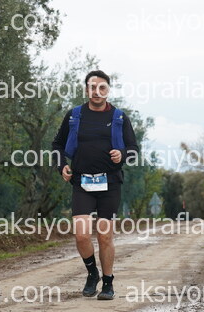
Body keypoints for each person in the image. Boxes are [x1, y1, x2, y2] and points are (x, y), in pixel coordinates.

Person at [52, 70, 139, 300]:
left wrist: (122, 154)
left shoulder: (119, 117)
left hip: (110, 183)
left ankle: (108, 283)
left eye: (102, 87)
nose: (97, 91)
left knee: (104, 235)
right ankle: (92, 274)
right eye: (92, 87)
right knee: (81, 235)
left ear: (108, 90)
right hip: (82, 182)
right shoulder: (75, 116)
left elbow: (133, 150)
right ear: (86, 89)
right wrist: (61, 166)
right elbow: (57, 145)